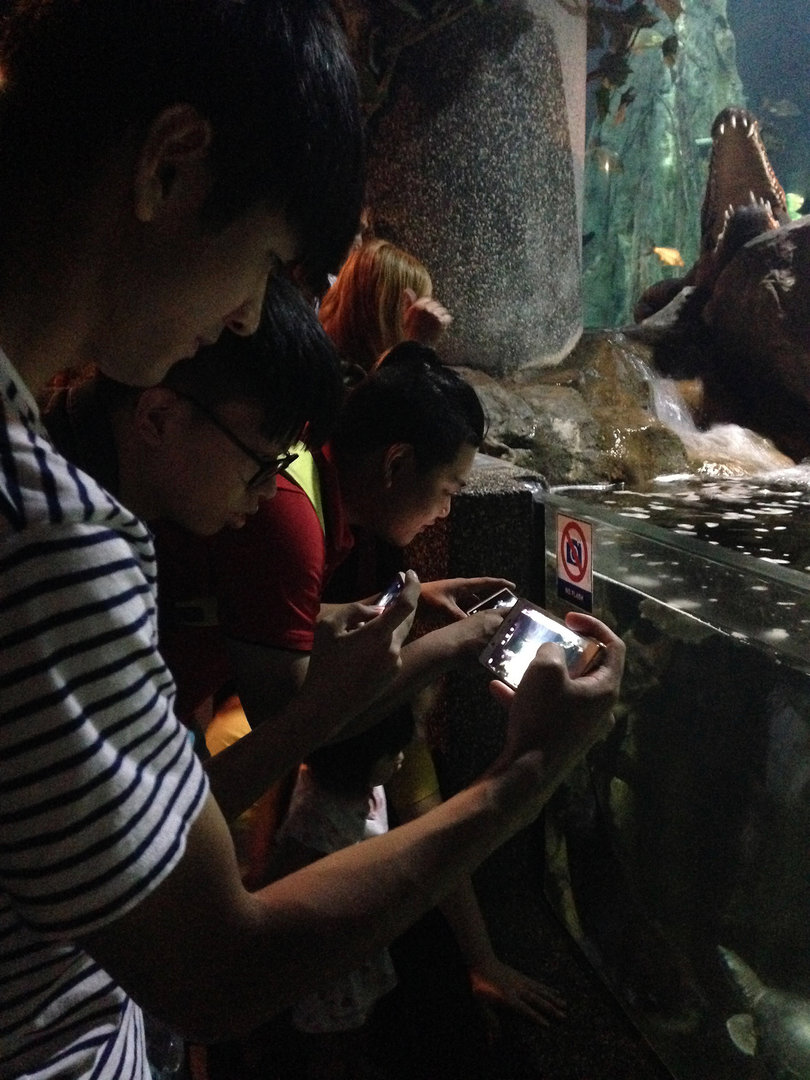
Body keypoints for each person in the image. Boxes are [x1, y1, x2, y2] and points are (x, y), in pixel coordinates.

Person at [0, 5, 625, 1080]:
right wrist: (522, 774)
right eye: (270, 264)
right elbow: (214, 966)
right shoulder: (48, 532)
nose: (252, 319)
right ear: (171, 166)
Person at [318, 237, 453, 380]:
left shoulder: (325, 352)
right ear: (403, 306)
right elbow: (393, 393)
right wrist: (417, 345)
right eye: (422, 304)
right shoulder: (344, 376)